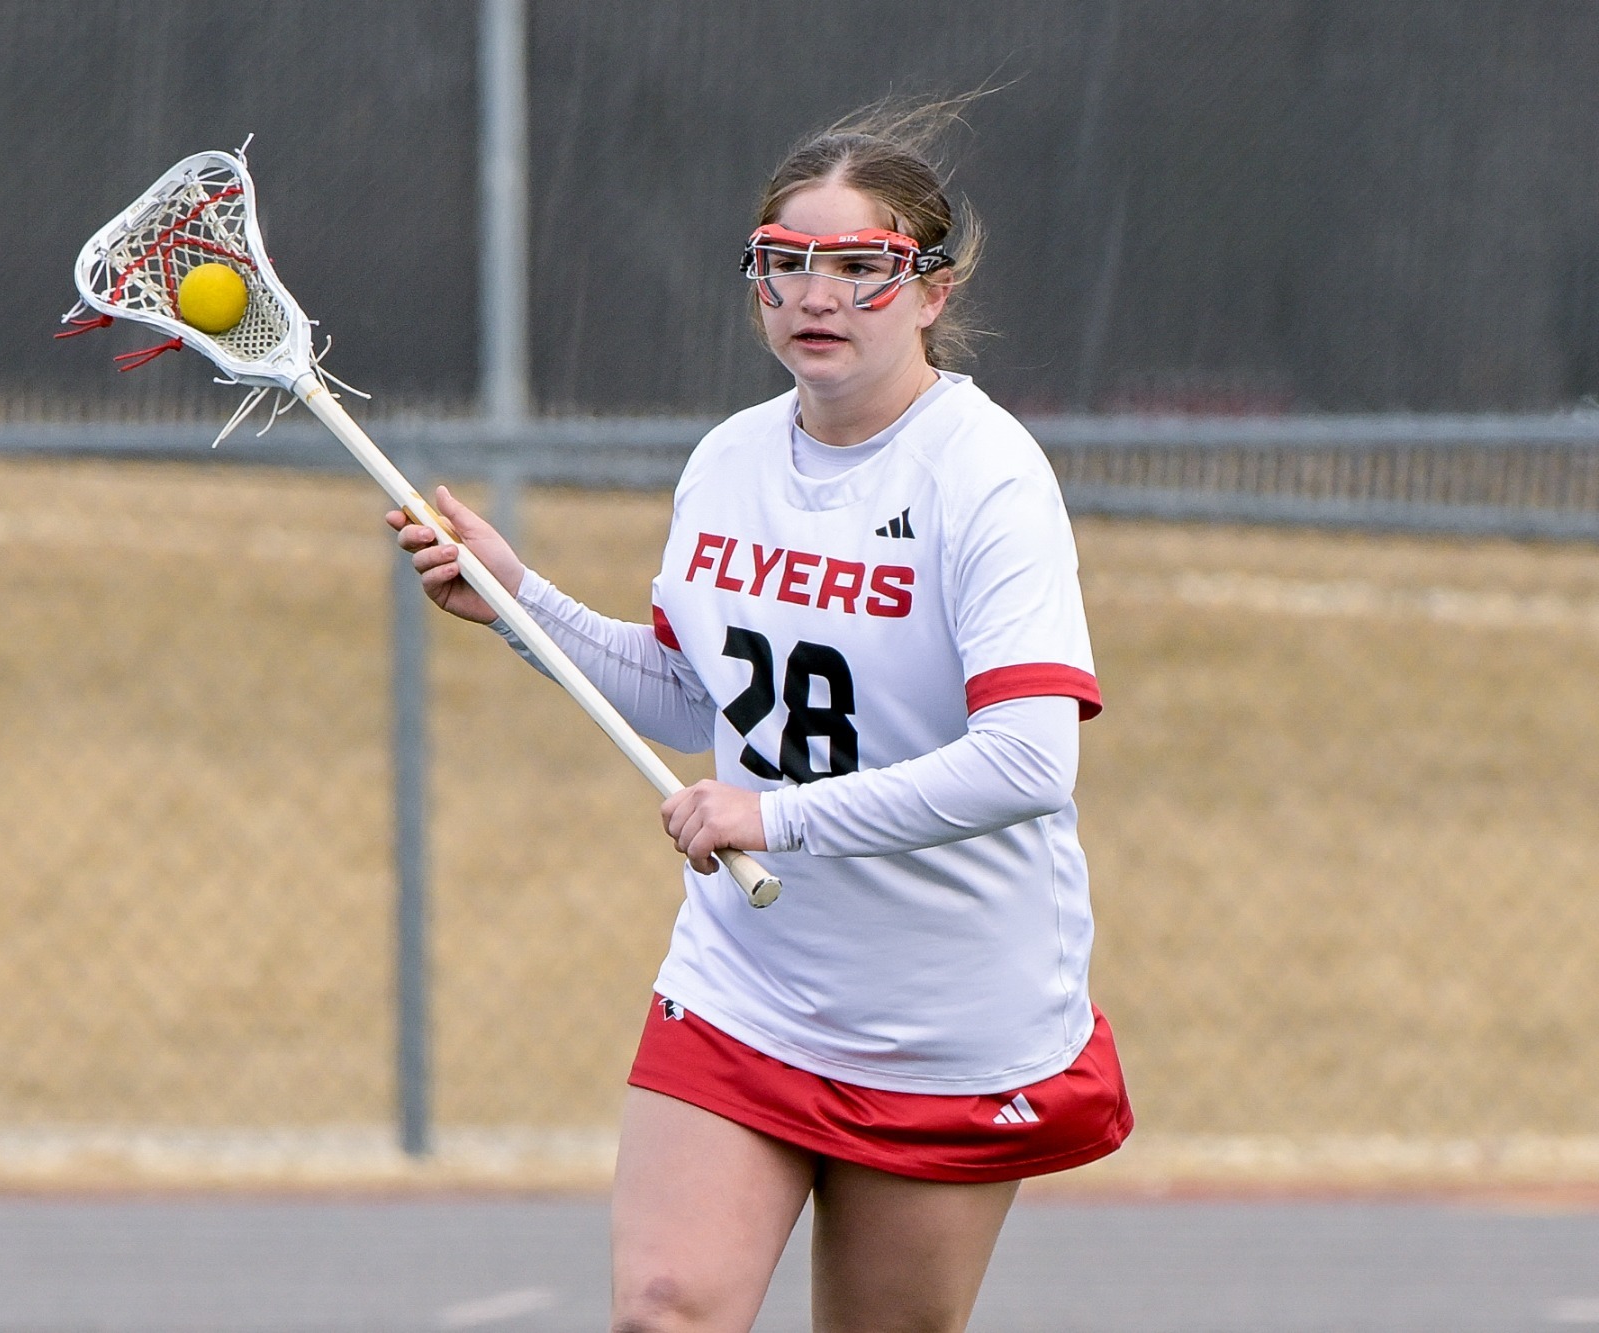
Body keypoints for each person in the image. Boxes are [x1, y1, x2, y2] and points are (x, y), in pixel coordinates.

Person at [390, 102, 1131, 1333]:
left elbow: (1027, 759)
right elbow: (691, 694)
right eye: (784, 262)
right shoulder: (730, 461)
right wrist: (520, 603)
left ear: (931, 292)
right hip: (749, 984)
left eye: (859, 267)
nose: (815, 293)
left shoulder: (982, 475)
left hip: (943, 1015)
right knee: (665, 1310)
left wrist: (774, 819)